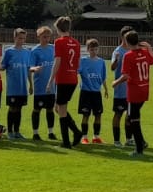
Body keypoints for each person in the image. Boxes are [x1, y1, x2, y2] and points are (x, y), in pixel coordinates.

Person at [111, 30, 153, 154]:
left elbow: (125, 75)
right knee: (133, 116)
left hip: (134, 91)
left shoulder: (128, 55)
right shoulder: (145, 52)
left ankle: (139, 147)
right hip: (144, 89)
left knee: (132, 118)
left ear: (127, 41)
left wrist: (115, 82)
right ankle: (141, 142)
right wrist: (149, 48)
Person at [52, 16, 84, 147]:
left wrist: (50, 80)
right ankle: (76, 132)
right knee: (58, 108)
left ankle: (66, 141)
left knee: (61, 110)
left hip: (63, 79)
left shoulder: (59, 42)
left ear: (58, 28)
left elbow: (57, 62)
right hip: (73, 78)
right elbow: (78, 62)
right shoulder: (76, 43)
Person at [0, 28, 33, 139]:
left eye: (23, 38)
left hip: (22, 87)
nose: (21, 41)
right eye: (19, 38)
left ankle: (17, 131)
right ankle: (10, 132)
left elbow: (28, 69)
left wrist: (31, 84)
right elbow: (3, 66)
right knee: (12, 108)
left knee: (19, 109)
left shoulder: (27, 52)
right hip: (12, 87)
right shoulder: (9, 52)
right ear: (14, 38)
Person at [77, 39, 108, 143]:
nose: (94, 51)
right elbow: (76, 72)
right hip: (86, 92)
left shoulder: (101, 62)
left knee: (98, 115)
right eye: (91, 49)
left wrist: (106, 89)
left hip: (96, 92)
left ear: (98, 49)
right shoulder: (83, 61)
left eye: (95, 49)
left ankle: (96, 137)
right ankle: (84, 137)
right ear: (88, 49)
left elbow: (103, 77)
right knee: (85, 115)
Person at [29, 26, 58, 140]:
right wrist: (35, 68)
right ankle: (35, 133)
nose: (46, 39)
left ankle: (51, 132)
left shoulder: (53, 49)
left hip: (51, 86)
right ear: (38, 37)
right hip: (40, 86)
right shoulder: (35, 51)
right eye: (44, 37)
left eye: (48, 37)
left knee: (50, 109)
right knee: (37, 109)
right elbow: (30, 67)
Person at [109, 27, 133, 147]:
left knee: (130, 115)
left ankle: (129, 139)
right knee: (118, 114)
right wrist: (116, 60)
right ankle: (116, 140)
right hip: (120, 89)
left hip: (132, 90)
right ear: (122, 37)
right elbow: (112, 68)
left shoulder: (133, 50)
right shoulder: (117, 51)